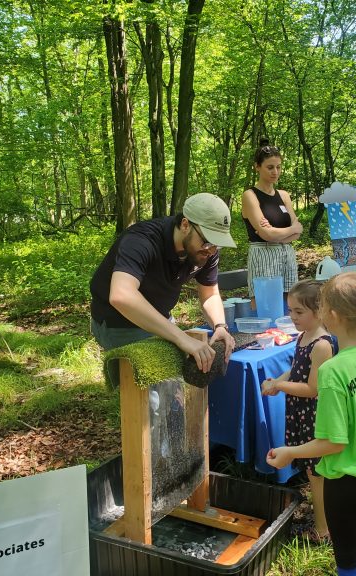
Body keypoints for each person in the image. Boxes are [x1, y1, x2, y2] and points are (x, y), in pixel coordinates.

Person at [266, 272, 356, 576]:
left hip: (347, 481)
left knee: (349, 559)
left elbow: (334, 442)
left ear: (332, 316)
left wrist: (290, 452)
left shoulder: (333, 371)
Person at [90, 193, 237, 373]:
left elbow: (210, 293)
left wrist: (220, 325)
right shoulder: (141, 240)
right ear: (185, 225)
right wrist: (180, 337)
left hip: (160, 315)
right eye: (207, 241)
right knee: (153, 389)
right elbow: (122, 296)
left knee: (174, 384)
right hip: (119, 321)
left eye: (218, 244)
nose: (212, 250)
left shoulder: (205, 251)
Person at [261, 279, 337, 541]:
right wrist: (276, 382)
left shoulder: (322, 345)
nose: (292, 317)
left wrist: (281, 386)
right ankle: (324, 518)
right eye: (290, 310)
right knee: (311, 471)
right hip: (301, 412)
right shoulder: (304, 336)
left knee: (317, 474)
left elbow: (312, 389)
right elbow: (296, 369)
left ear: (319, 312)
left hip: (315, 414)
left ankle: (323, 530)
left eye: (299, 312)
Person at [242, 138, 302, 306]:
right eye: (270, 167)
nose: (275, 172)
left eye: (278, 167)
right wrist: (286, 230)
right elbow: (266, 234)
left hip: (287, 256)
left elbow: (297, 232)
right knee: (265, 305)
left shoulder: (284, 195)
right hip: (263, 255)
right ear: (257, 167)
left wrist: (274, 235)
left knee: (290, 305)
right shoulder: (250, 195)